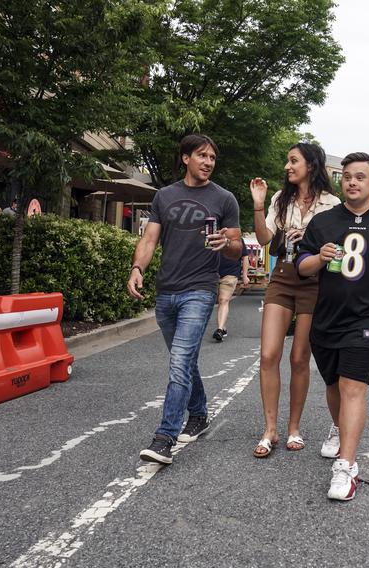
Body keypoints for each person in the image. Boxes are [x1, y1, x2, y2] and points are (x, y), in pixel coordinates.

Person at [297, 152, 369, 501]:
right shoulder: (323, 222)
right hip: (327, 318)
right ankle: (339, 427)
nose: (352, 182)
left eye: (360, 176)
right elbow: (302, 265)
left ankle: (347, 467)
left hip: (368, 319)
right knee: (333, 386)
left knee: (352, 387)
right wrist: (320, 257)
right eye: (347, 176)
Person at [127, 134, 242, 464]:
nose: (208, 162)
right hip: (166, 291)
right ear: (185, 158)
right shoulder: (165, 195)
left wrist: (226, 243)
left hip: (201, 290)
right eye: (202, 155)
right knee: (186, 361)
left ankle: (165, 437)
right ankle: (200, 413)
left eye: (212, 157)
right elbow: (150, 238)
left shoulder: (224, 199)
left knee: (178, 362)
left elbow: (237, 245)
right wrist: (137, 268)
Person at [249, 142, 341, 457]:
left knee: (300, 358)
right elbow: (263, 238)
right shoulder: (280, 198)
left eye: (293, 161)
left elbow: (339, 248)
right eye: (287, 161)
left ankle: (294, 429)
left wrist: (313, 241)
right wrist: (259, 205)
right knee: (268, 354)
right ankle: (269, 430)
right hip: (283, 278)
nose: (287, 167)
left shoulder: (332, 204)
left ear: (312, 165)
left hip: (315, 282)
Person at [213, 240, 250, 341]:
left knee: (223, 300)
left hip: (231, 273)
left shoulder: (237, 239)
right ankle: (223, 327)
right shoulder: (213, 234)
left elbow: (245, 257)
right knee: (213, 301)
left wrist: (245, 275)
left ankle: (220, 329)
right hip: (212, 273)